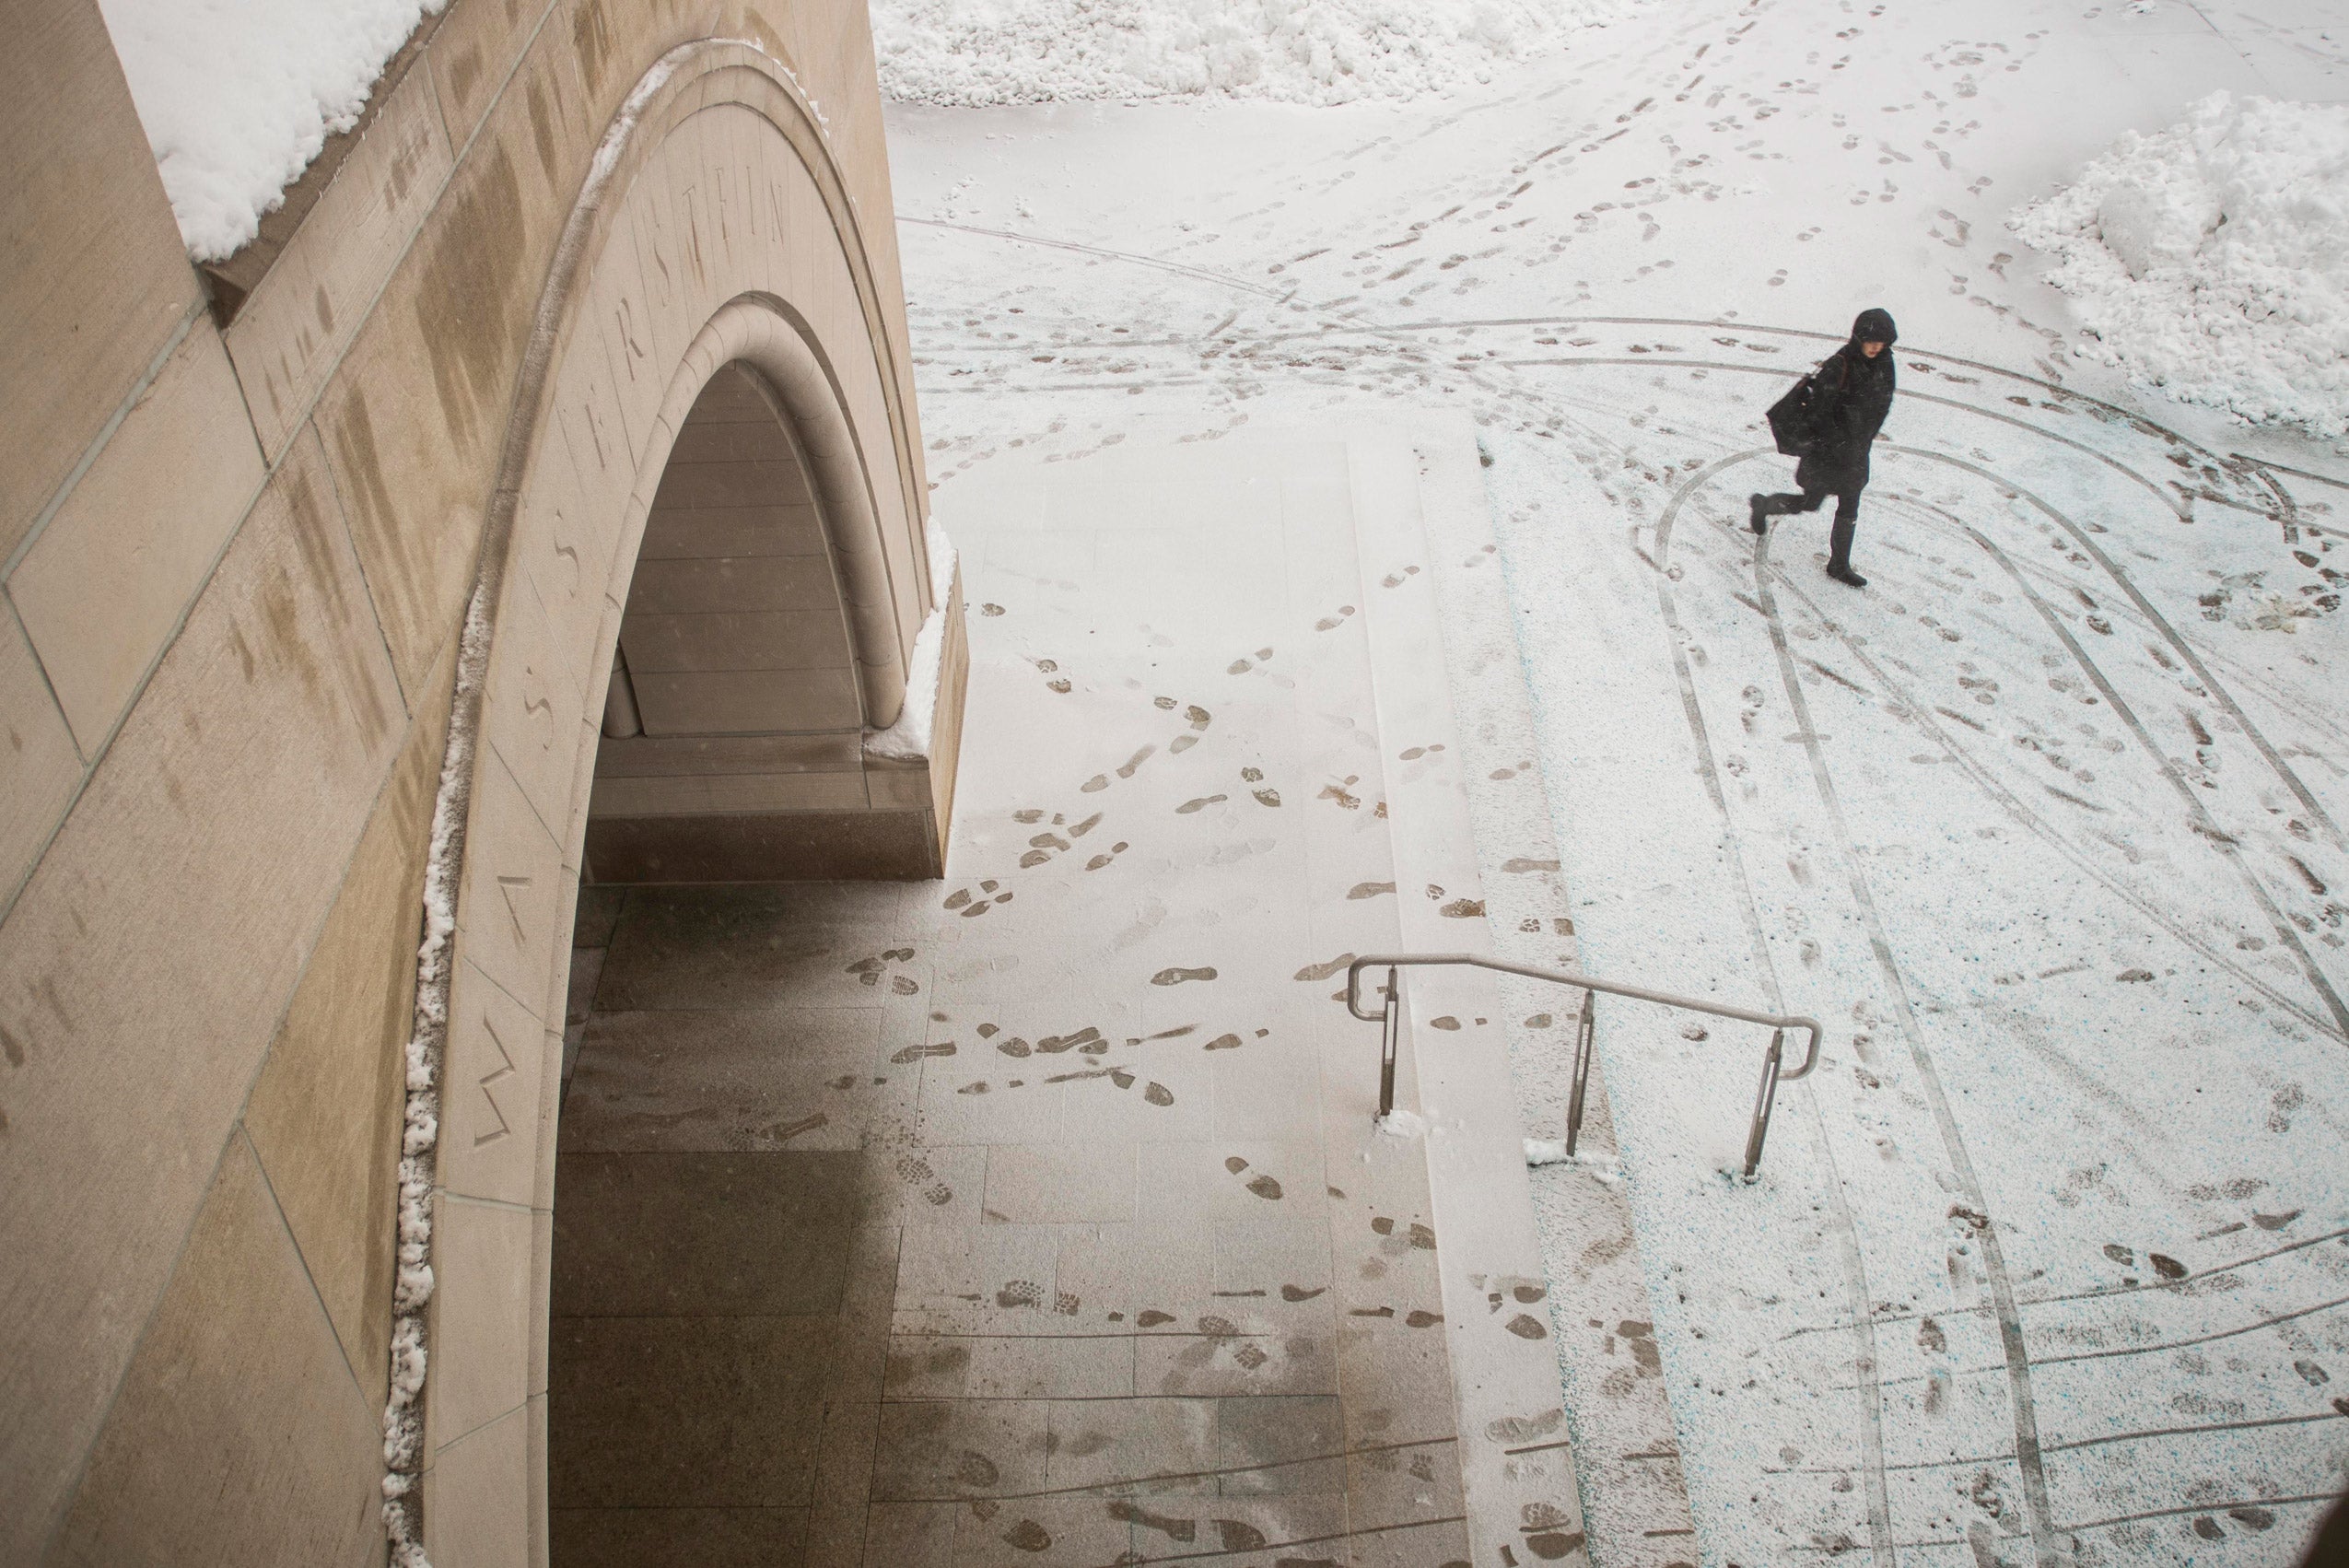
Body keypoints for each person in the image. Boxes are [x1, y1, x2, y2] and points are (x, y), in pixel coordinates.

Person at [1750, 307, 1899, 587]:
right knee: (1810, 502)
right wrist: (1838, 440)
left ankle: (1839, 565)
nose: (1875, 347)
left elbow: (1883, 403)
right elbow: (1819, 410)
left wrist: (1864, 437)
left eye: (1881, 343)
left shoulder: (1885, 364)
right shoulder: (1839, 365)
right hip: (1829, 451)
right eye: (1871, 342)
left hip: (1856, 450)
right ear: (1858, 338)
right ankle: (1764, 505)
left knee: (1850, 505)